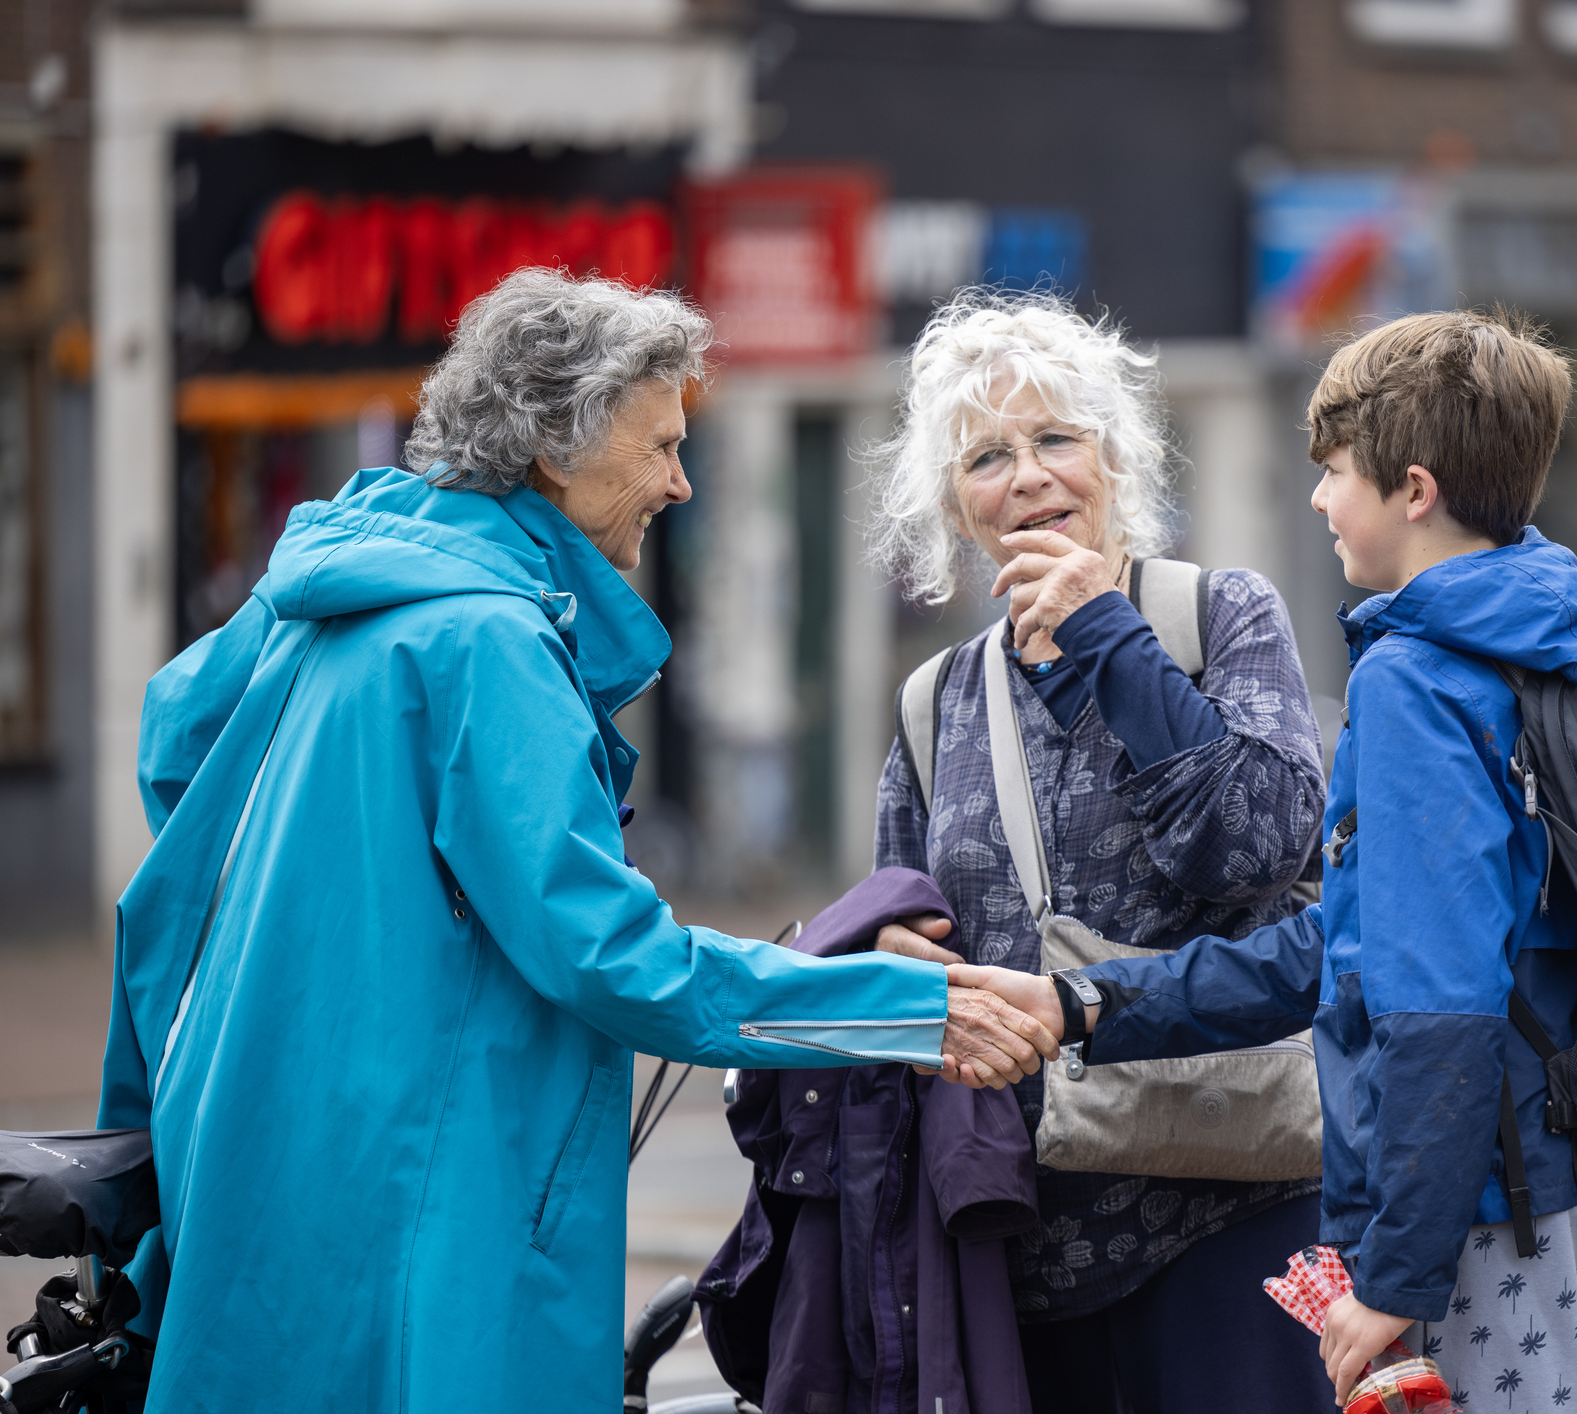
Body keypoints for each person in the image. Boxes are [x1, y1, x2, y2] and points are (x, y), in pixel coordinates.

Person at [96, 270, 1056, 1411]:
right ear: (557, 448)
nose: (679, 480)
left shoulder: (335, 597)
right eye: (658, 445)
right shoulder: (486, 642)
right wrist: (898, 1012)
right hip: (431, 1203)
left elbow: (175, 749)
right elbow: (610, 957)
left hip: (257, 1161)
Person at [958, 309, 1577, 1413]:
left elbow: (1438, 1008)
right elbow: (1349, 945)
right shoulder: (1543, 638)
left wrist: (1391, 1278)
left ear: (1410, 490)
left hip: (1472, 1218)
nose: (1316, 499)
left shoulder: (1413, 682)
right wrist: (1084, 1001)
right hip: (1562, 1189)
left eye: (1332, 473)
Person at [864, 289, 1335, 1414]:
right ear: (954, 507)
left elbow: (1260, 849)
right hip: (1025, 1239)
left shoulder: (1219, 617)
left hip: (1232, 1208)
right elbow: (897, 913)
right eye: (986, 456)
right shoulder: (937, 700)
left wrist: (1106, 636)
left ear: (1113, 459)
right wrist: (895, 954)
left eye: (1054, 439)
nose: (1026, 476)